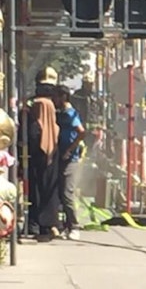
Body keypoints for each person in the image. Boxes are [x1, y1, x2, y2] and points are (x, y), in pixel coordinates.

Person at [19, 67, 61, 242]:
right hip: (50, 154)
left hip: (37, 157)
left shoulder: (37, 105)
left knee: (37, 191)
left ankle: (38, 225)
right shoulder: (49, 105)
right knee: (46, 192)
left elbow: (32, 134)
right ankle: (46, 225)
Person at [54, 85, 85, 240]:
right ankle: (65, 226)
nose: (55, 100)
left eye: (57, 97)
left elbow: (81, 131)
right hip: (60, 157)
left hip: (70, 159)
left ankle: (74, 225)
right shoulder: (60, 114)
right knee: (61, 192)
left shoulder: (71, 114)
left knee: (67, 193)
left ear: (63, 97)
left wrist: (70, 150)